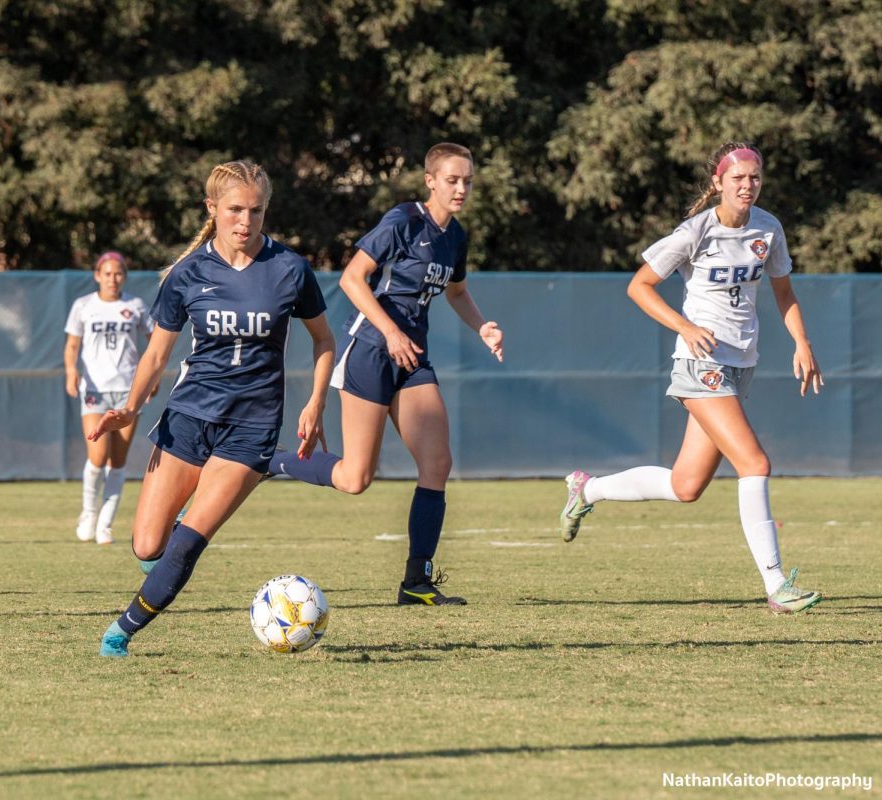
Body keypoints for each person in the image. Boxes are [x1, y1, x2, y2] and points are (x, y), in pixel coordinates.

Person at [558, 141, 823, 614]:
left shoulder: (769, 228)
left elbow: (784, 292)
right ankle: (777, 585)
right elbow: (638, 286)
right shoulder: (695, 231)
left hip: (742, 364)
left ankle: (588, 489)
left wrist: (802, 343)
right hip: (701, 364)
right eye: (738, 177)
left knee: (686, 486)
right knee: (755, 464)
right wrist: (684, 326)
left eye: (755, 177)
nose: (748, 185)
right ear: (718, 182)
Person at [90, 160, 335, 657]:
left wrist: (315, 401)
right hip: (189, 418)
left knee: (185, 545)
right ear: (212, 209)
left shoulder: (290, 268)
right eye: (235, 210)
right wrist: (130, 407)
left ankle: (122, 630)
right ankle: (180, 520)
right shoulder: (187, 273)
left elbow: (325, 340)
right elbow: (157, 355)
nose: (246, 221)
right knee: (146, 547)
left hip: (252, 428)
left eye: (257, 210)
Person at [266, 142, 504, 607]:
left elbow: (456, 292)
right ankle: (268, 460)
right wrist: (391, 331)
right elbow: (353, 278)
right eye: (452, 179)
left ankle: (416, 582)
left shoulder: (455, 236)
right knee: (356, 478)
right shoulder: (403, 220)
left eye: (468, 180)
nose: (461, 188)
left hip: (412, 358)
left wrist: (483, 327)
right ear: (430, 180)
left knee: (437, 464)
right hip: (372, 352)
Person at [63, 250, 154, 544]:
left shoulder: (135, 305)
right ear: (97, 275)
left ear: (124, 277)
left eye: (118, 274)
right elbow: (72, 346)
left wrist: (151, 377)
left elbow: (155, 344)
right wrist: (70, 371)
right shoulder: (84, 305)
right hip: (95, 389)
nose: (113, 279)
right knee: (97, 455)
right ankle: (89, 512)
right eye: (107, 273)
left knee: (118, 460)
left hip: (127, 391)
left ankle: (105, 523)